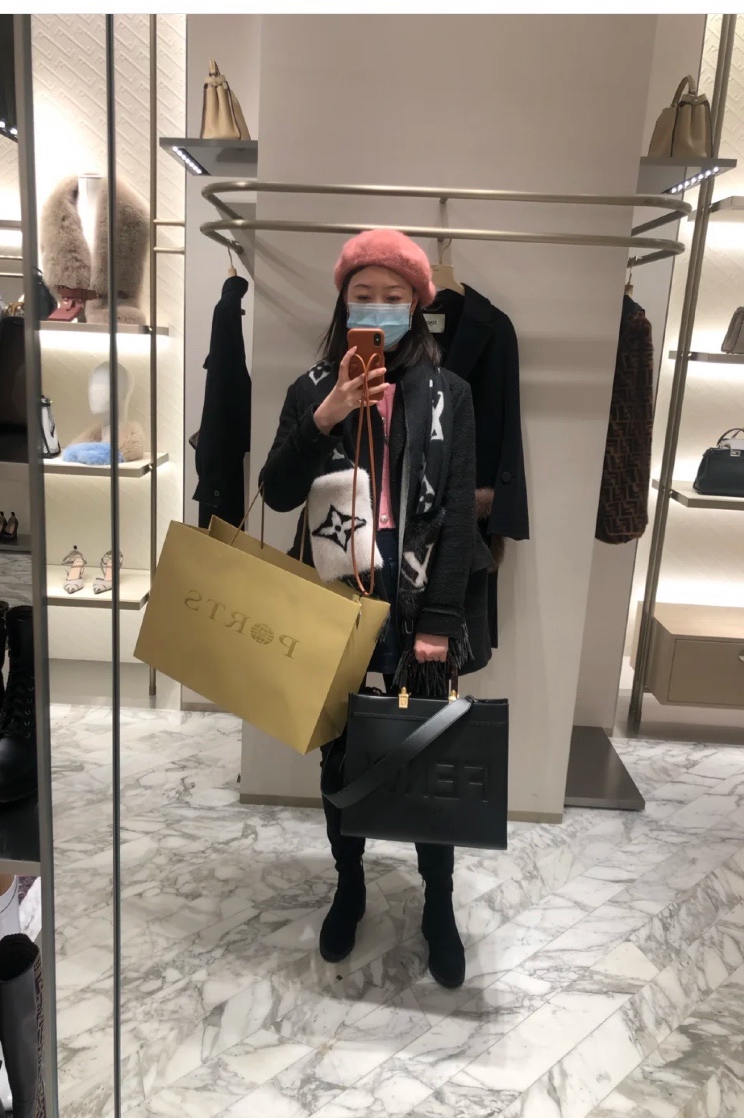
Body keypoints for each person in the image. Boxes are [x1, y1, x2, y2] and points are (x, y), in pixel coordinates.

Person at [260, 229, 492, 989]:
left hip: (419, 605)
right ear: (344, 303)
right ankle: (349, 884)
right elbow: (276, 493)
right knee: (342, 756)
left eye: (395, 297)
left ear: (418, 306)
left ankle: (437, 903)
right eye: (364, 295)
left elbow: (457, 518)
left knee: (431, 757)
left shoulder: (450, 395)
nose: (379, 308)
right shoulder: (311, 388)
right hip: (336, 604)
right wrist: (325, 416)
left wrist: (439, 622)